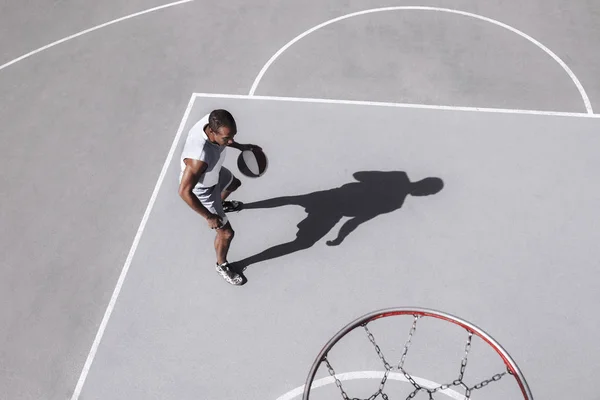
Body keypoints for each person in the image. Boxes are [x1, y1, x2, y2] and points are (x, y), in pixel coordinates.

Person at [178, 109, 259, 285]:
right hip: (204, 190)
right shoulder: (199, 158)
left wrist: (240, 147)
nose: (230, 141)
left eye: (233, 136)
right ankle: (221, 265)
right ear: (211, 132)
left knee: (234, 184)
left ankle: (220, 204)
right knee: (227, 233)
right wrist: (209, 216)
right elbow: (184, 191)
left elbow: (227, 138)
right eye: (226, 139)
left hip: (214, 173)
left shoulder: (213, 120)